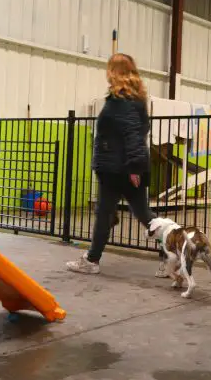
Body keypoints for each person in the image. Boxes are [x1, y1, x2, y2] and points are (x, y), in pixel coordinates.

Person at [66, 53, 154, 275]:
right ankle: (171, 253)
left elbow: (133, 133)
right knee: (143, 215)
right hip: (122, 167)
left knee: (106, 212)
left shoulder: (122, 101)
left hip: (117, 169)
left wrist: (134, 167)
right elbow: (139, 131)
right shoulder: (134, 99)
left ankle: (92, 260)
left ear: (115, 72)